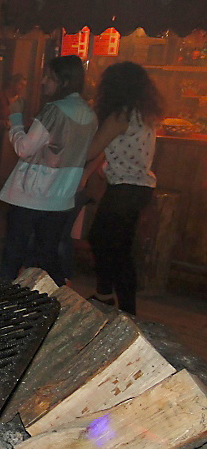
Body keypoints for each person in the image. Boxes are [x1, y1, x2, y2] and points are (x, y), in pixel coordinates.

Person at [0, 55, 97, 286]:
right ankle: (54, 306)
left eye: (49, 77)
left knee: (13, 257)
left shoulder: (54, 110)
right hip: (61, 198)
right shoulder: (90, 114)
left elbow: (24, 148)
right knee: (48, 257)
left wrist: (15, 119)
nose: (43, 82)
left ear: (63, 81)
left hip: (31, 194)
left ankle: (0, 307)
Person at [79, 62, 163, 314]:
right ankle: (108, 297)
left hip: (125, 189)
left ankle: (125, 309)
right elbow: (107, 147)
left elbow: (92, 148)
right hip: (138, 188)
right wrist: (88, 172)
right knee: (112, 244)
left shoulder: (120, 115)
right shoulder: (141, 114)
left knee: (114, 247)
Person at [0, 74, 27, 187]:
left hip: (12, 137)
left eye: (24, 86)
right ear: (12, 83)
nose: (21, 88)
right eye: (20, 84)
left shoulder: (21, 102)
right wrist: (0, 122)